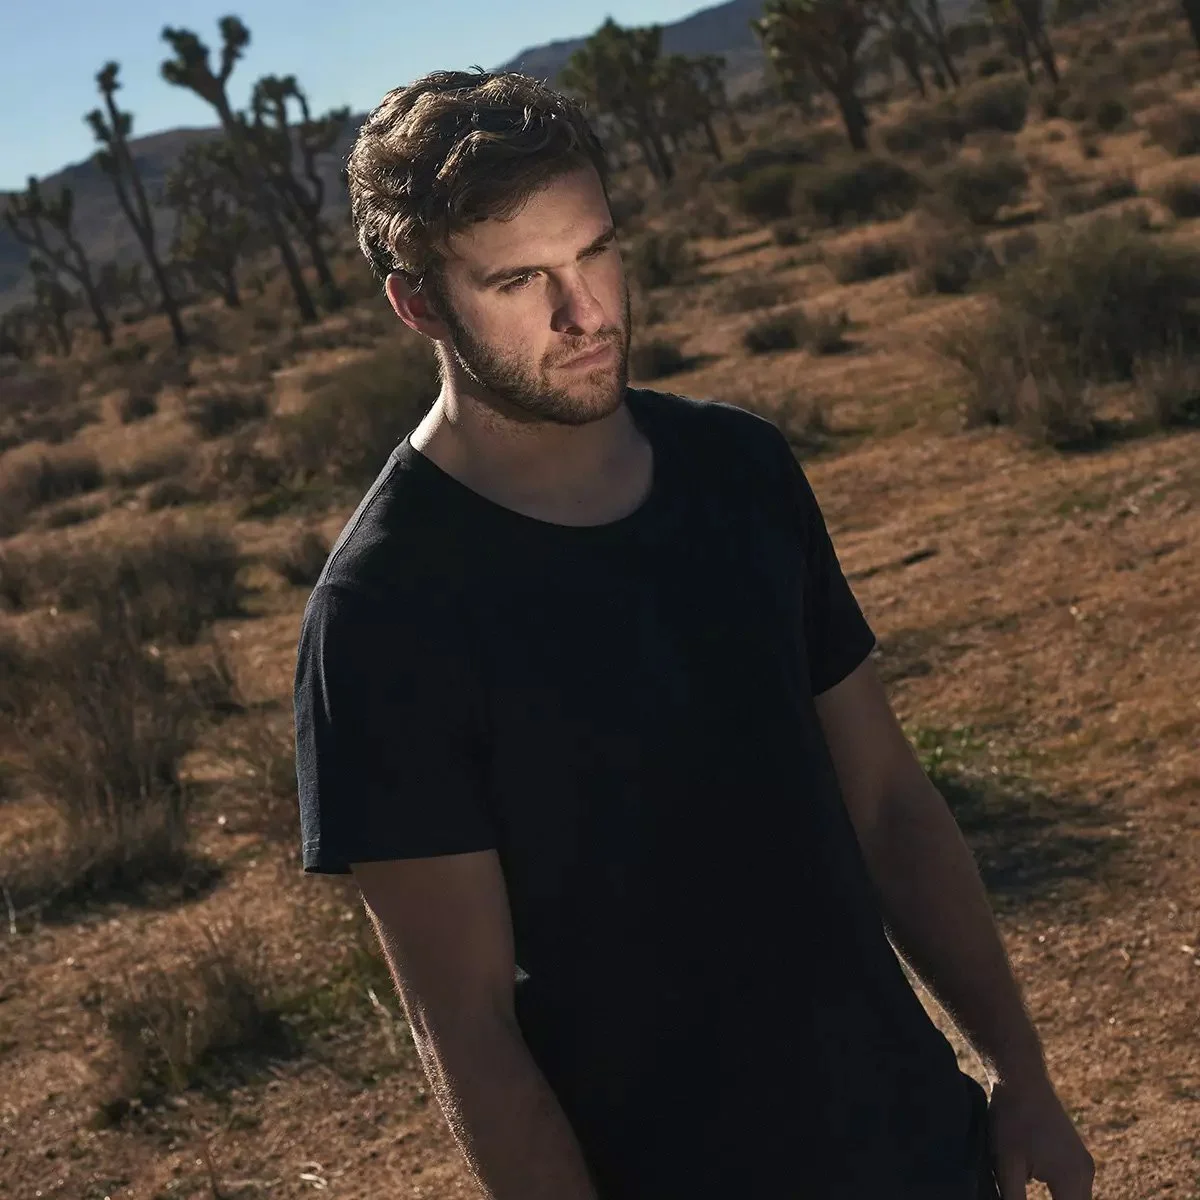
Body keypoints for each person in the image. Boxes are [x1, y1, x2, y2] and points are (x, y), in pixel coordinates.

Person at [292, 69, 1095, 1200]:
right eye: (520, 280)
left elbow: (890, 805)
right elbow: (466, 1030)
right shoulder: (383, 616)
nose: (585, 315)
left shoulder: (741, 471)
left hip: (927, 1152)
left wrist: (1024, 1076)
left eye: (596, 253)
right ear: (419, 305)